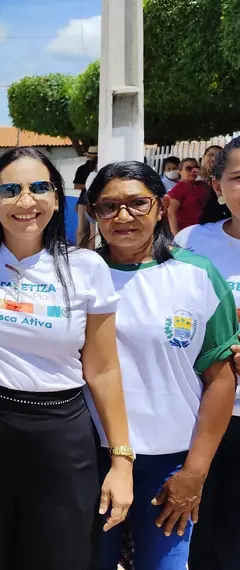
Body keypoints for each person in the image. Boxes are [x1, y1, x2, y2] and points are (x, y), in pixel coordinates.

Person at [0, 147, 134, 570]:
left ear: (57, 198)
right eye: (11, 189)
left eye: (39, 188)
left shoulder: (86, 267)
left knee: (62, 557)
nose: (26, 201)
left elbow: (104, 369)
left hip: (61, 437)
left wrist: (121, 460)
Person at [84, 161, 238, 570]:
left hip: (169, 464)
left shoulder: (199, 275)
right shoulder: (80, 275)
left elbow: (221, 379)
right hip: (92, 459)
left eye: (137, 203)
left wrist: (194, 472)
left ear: (161, 205)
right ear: (93, 213)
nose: (123, 216)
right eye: (108, 207)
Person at [175, 137, 240, 569]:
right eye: (238, 178)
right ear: (217, 186)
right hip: (206, 420)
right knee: (204, 545)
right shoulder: (192, 242)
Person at [167, 158, 208, 235]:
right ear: (180, 171)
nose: (193, 171)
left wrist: (202, 174)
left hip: (203, 230)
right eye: (188, 168)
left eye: (196, 168)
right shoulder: (178, 189)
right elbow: (171, 213)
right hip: (187, 232)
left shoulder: (202, 185)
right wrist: (176, 236)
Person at [75, 145, 99, 247]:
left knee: (91, 232)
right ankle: (80, 249)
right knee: (82, 229)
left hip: (91, 200)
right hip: (84, 200)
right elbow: (76, 186)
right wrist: (89, 184)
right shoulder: (82, 169)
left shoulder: (100, 167)